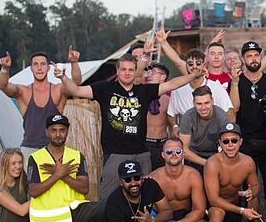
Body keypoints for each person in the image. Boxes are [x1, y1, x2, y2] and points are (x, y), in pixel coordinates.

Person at [59, 53, 203, 200]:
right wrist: (62, 77)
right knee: (107, 197)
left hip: (141, 154)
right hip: (114, 154)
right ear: (117, 71)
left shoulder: (144, 91)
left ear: (136, 72)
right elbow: (76, 91)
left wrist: (193, 75)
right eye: (123, 69)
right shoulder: (105, 88)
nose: (127, 73)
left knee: (144, 197)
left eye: (130, 70)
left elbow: (172, 84)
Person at [28, 114, 105, 222]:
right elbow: (33, 191)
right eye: (54, 130)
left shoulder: (77, 156)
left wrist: (63, 174)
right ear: (47, 132)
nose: (58, 134)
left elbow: (84, 188)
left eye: (62, 130)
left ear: (67, 132)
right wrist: (56, 175)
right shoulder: (35, 158)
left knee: (110, 207)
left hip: (76, 212)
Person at [0, 47, 82, 160]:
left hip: (54, 148)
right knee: (30, 178)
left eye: (43, 64)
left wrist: (74, 62)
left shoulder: (58, 90)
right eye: (35, 64)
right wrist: (4, 69)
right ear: (31, 68)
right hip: (29, 149)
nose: (39, 68)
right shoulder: (24, 92)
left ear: (48, 68)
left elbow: (76, 83)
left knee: (56, 178)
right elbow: (3, 86)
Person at [231, 41, 266, 222]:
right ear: (243, 59)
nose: (253, 59)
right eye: (249, 56)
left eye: (256, 55)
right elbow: (233, 109)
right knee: (249, 186)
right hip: (246, 141)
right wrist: (234, 84)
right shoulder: (237, 81)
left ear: (261, 58)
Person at [204, 123, 262, 222]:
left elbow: (256, 185)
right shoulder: (212, 163)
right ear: (219, 143)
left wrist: (252, 192)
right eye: (226, 141)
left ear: (241, 141)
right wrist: (242, 211)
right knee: (217, 213)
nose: (230, 145)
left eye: (234, 141)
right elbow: (213, 199)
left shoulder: (248, 162)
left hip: (234, 205)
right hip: (216, 205)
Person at [148, 138, 207, 222]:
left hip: (184, 215)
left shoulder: (193, 175)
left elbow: (199, 210)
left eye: (178, 151)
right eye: (169, 151)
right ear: (163, 155)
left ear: (183, 154)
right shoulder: (153, 178)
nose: (174, 154)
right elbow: (145, 211)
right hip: (162, 216)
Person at [167, 49, 234, 132]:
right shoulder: (177, 89)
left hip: (212, 136)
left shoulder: (216, 87)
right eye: (190, 64)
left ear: (204, 65)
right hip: (188, 137)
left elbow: (230, 114)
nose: (194, 66)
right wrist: (175, 126)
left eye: (198, 63)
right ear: (186, 66)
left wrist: (225, 133)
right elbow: (171, 113)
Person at [178, 86, 231, 174]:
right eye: (199, 104)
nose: (203, 108)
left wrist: (217, 162)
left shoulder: (221, 117)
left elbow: (227, 145)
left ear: (212, 101)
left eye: (206, 103)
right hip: (193, 157)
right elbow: (183, 149)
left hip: (215, 156)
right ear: (193, 103)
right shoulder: (188, 117)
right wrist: (207, 163)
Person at [143, 63, 171, 169]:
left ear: (163, 77)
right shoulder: (142, 95)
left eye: (153, 72)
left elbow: (172, 125)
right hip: (145, 142)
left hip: (162, 144)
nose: (149, 75)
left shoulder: (168, 99)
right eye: (149, 72)